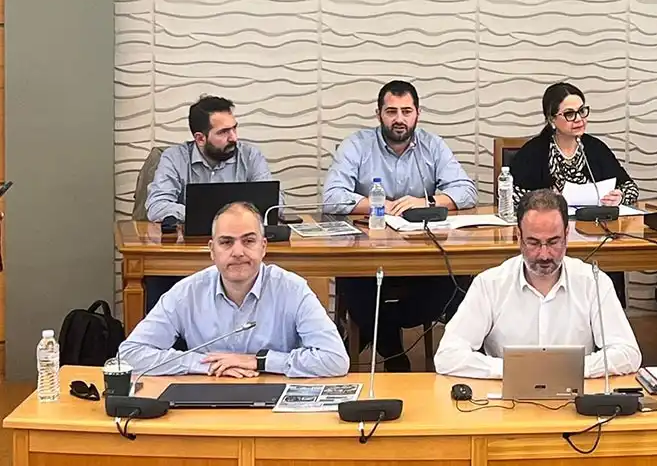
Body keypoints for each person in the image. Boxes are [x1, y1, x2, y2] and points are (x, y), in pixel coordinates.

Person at [322, 80, 478, 372]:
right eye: (391, 111)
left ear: (418, 113)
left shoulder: (432, 145)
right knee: (355, 282)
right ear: (378, 114)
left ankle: (385, 338)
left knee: (457, 280)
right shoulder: (357, 145)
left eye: (406, 111)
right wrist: (380, 205)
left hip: (421, 253)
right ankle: (393, 352)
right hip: (367, 255)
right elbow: (331, 197)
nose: (399, 119)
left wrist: (425, 202)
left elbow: (467, 191)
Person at [118, 202, 350, 378]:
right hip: (208, 393)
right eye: (226, 242)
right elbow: (129, 355)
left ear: (263, 247)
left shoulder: (293, 290)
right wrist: (204, 364)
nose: (238, 252)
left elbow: (336, 359)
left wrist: (260, 361)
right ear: (212, 250)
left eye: (248, 241)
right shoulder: (187, 293)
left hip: (274, 398)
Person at [433, 189, 641, 379]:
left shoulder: (593, 281)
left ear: (566, 235)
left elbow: (628, 353)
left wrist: (570, 369)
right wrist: (514, 370)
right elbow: (447, 356)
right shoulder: (490, 284)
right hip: (506, 399)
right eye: (533, 243)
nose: (544, 255)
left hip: (575, 397)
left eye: (553, 242)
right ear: (519, 237)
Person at [143, 95, 281, 313]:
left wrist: (219, 216)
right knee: (159, 283)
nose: (234, 137)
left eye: (234, 128)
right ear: (200, 138)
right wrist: (212, 215)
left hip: (240, 251)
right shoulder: (174, 158)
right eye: (223, 132)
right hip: (187, 255)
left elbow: (274, 203)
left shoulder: (250, 156)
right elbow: (157, 205)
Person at [508, 82, 638, 305]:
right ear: (552, 119)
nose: (579, 119)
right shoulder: (534, 151)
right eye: (569, 114)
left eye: (582, 111)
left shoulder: (595, 149)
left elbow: (631, 187)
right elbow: (513, 196)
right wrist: (544, 201)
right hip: (549, 238)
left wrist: (620, 196)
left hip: (594, 235)